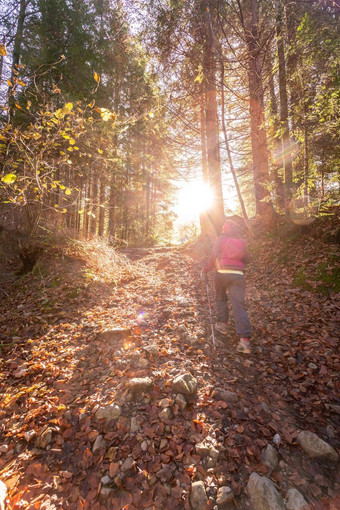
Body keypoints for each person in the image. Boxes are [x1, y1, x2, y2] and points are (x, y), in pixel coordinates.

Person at [201, 219, 252, 354]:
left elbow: (214, 255)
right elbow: (247, 259)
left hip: (222, 273)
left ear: (224, 229)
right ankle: (245, 341)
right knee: (238, 305)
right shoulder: (241, 242)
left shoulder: (221, 239)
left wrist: (206, 269)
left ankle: (223, 324)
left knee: (221, 298)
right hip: (238, 275)